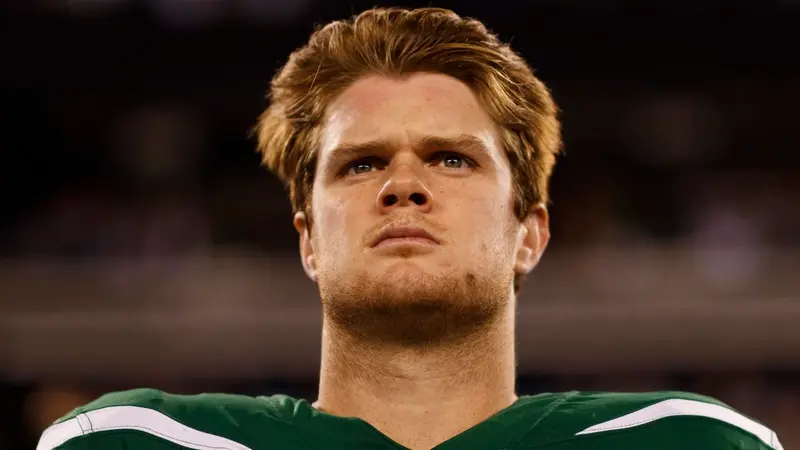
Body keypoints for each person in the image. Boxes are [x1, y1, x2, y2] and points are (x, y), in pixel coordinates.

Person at [37, 7, 782, 450]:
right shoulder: (132, 442)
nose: (402, 185)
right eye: (360, 164)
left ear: (530, 233)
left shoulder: (690, 440)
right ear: (307, 239)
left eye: (452, 159)